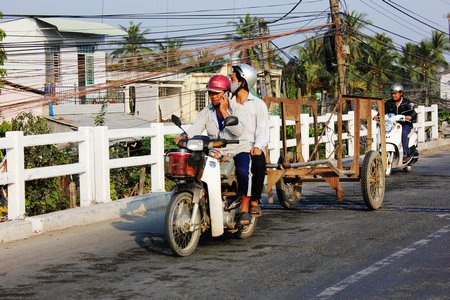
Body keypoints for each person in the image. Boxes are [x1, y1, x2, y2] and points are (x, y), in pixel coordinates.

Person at [175, 74, 252, 223]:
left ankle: (244, 208)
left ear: (226, 94)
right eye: (211, 93)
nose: (213, 96)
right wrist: (184, 136)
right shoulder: (207, 111)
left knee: (243, 172)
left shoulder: (238, 109)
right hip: (216, 150)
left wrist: (224, 111)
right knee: (198, 170)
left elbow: (239, 132)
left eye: (217, 93)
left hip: (237, 148)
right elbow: (195, 128)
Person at [230, 63, 269, 225]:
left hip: (252, 147)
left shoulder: (258, 104)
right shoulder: (228, 103)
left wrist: (258, 146)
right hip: (231, 147)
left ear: (242, 82)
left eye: (232, 78)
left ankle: (254, 201)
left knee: (258, 165)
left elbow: (263, 128)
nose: (229, 81)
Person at [385, 83, 417, 163]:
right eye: (392, 94)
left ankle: (406, 154)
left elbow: (413, 113)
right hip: (392, 124)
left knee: (403, 132)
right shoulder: (389, 103)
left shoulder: (407, 102)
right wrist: (377, 116)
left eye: (395, 93)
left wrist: (410, 117)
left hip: (405, 124)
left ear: (401, 93)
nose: (393, 95)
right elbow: (383, 111)